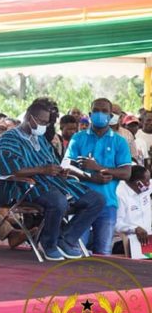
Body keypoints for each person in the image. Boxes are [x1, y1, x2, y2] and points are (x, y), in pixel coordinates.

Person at [0, 100, 105, 261]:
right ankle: (49, 244)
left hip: (53, 183)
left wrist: (60, 171)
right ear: (30, 118)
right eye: (42, 122)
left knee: (97, 199)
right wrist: (43, 170)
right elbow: (10, 171)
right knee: (58, 201)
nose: (45, 126)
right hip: (24, 187)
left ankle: (65, 240)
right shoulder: (8, 140)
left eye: (47, 122)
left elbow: (51, 163)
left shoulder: (40, 139)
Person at [65, 98, 132, 255]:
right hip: (80, 202)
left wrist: (98, 168)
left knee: (103, 253)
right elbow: (66, 166)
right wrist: (90, 177)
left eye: (104, 111)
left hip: (107, 204)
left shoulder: (119, 141)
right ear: (90, 114)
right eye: (96, 110)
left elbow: (127, 173)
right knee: (75, 249)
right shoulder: (78, 138)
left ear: (111, 116)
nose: (100, 114)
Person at [113, 165, 150, 255]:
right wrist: (135, 229)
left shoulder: (145, 188)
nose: (149, 184)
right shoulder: (120, 195)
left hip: (149, 238)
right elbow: (116, 224)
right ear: (138, 183)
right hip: (130, 241)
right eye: (147, 181)